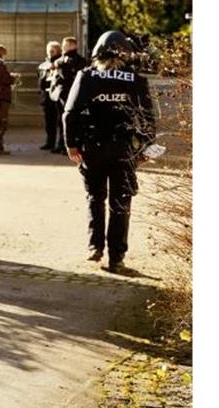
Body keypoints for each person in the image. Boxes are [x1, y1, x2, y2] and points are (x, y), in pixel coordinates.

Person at [62, 30, 155, 273]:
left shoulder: (86, 76)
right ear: (126, 53)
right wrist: (146, 149)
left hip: (93, 147)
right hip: (124, 150)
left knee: (95, 197)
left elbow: (69, 113)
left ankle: (95, 246)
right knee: (121, 203)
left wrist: (71, 144)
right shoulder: (136, 79)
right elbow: (147, 119)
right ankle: (117, 257)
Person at [49, 36, 86, 154]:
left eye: (65, 45)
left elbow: (66, 74)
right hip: (71, 94)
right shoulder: (80, 60)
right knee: (66, 120)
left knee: (66, 120)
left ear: (72, 46)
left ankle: (65, 145)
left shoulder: (68, 60)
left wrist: (57, 64)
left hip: (66, 94)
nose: (63, 48)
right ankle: (63, 145)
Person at [38, 41, 63, 151]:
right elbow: (40, 78)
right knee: (49, 122)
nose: (50, 53)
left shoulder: (60, 63)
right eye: (49, 51)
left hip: (57, 96)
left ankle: (60, 144)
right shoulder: (43, 65)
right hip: (46, 96)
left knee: (59, 122)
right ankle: (50, 142)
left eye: (52, 51)